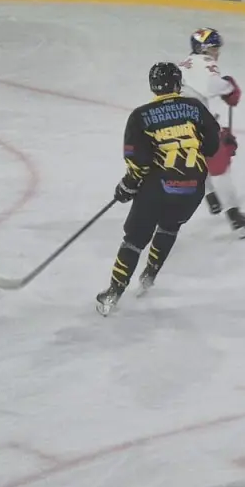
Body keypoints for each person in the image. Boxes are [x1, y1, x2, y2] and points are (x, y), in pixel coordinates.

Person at [96, 63, 223, 316]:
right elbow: (211, 146)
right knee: (169, 226)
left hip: (158, 188)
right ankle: (149, 275)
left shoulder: (140, 116)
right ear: (177, 84)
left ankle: (113, 293)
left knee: (134, 240)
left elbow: (138, 160)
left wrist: (127, 186)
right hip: (193, 187)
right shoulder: (195, 107)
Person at [176, 28, 245, 238]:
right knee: (220, 164)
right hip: (192, 120)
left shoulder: (184, 63)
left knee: (197, 159)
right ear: (204, 48)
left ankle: (211, 197)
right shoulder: (205, 62)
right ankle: (236, 219)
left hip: (170, 121)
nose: (217, 52)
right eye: (214, 48)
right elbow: (212, 85)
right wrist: (230, 88)